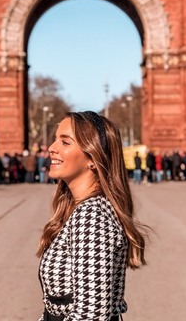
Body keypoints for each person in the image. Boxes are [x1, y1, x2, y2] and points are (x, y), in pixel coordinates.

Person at [38, 111, 146, 320]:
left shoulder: (92, 216)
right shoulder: (81, 209)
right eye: (55, 140)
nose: (52, 148)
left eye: (65, 142)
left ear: (92, 158)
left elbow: (92, 315)